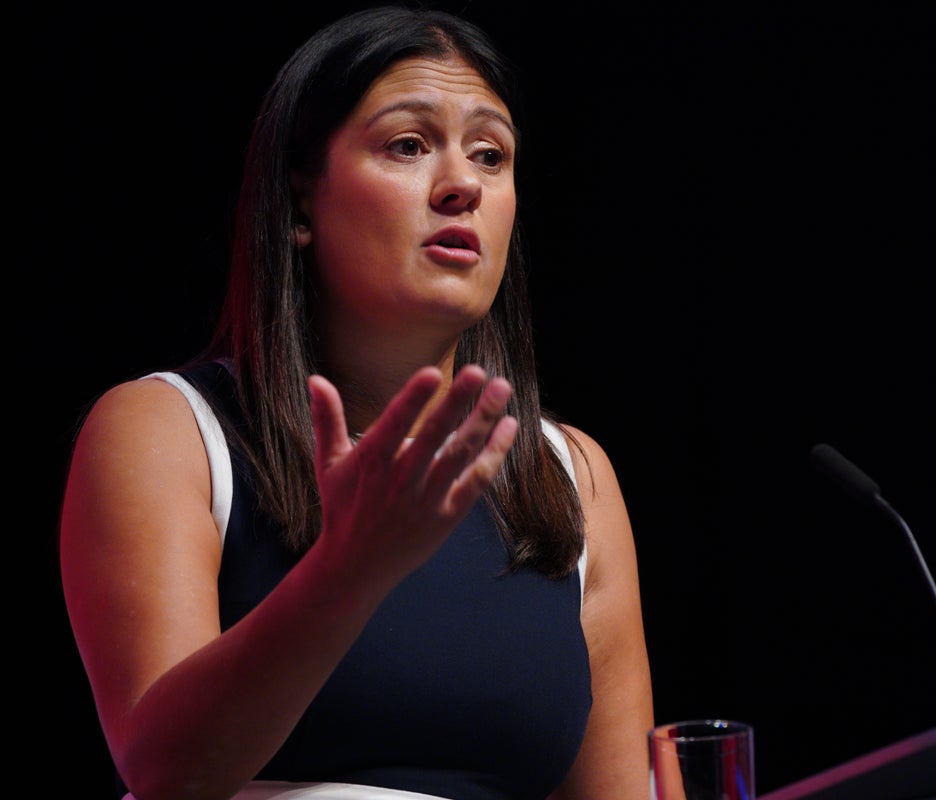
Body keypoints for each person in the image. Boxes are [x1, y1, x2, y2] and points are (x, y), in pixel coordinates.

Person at [57, 6, 654, 800]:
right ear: (301, 200)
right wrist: (350, 570)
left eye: (491, 154)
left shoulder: (570, 477)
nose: (464, 185)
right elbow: (164, 770)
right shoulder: (165, 429)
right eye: (408, 145)